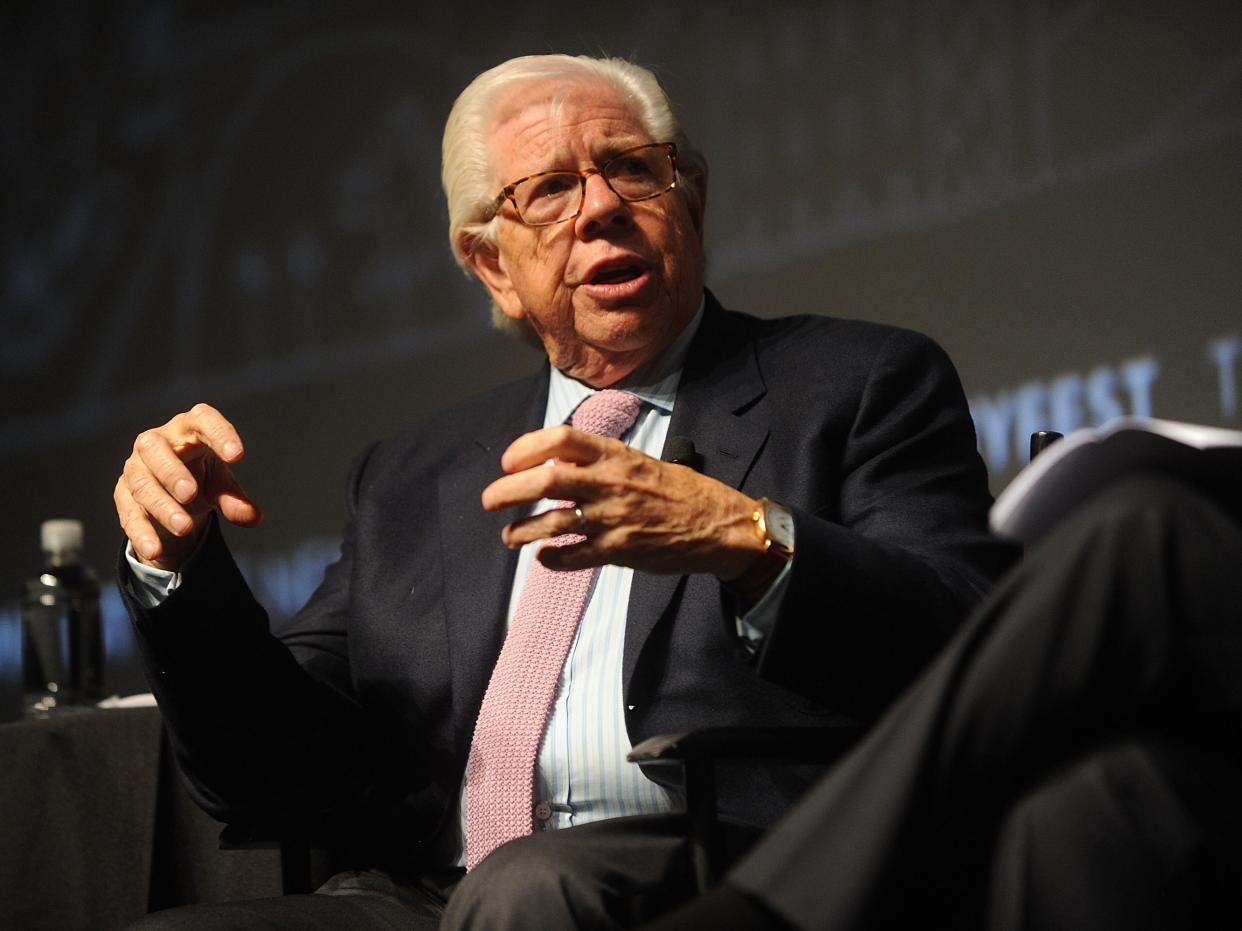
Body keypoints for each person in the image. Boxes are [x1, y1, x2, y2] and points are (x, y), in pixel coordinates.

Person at [114, 54, 1015, 929]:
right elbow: (275, 764)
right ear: (491, 264)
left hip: (731, 866)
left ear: (691, 198)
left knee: (531, 887)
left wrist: (746, 536)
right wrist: (178, 570)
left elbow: (970, 638)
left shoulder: (858, 381)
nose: (603, 209)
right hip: (433, 893)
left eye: (632, 169)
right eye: (547, 190)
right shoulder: (412, 472)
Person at [639, 472, 1242, 931]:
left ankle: (760, 910)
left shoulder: (866, 376)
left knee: (1148, 523)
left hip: (727, 821)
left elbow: (940, 617)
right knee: (1089, 805)